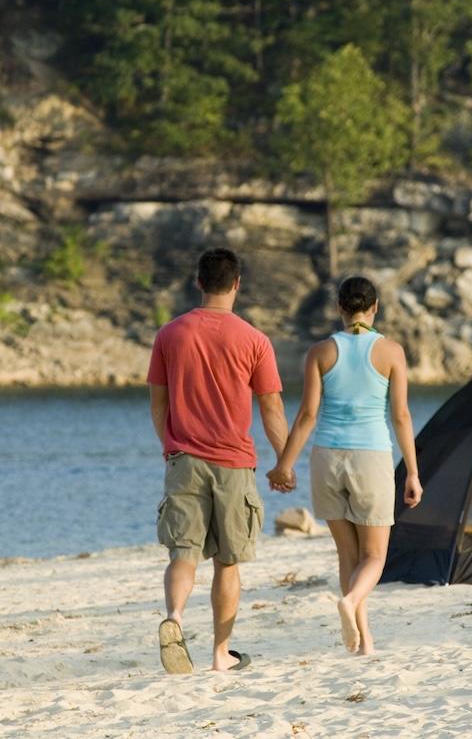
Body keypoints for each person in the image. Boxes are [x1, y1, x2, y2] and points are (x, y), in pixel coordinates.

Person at [148, 248, 289, 673]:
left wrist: (172, 448)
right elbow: (271, 409)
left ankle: (173, 618)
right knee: (228, 562)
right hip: (233, 464)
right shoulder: (254, 340)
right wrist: (284, 461)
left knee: (183, 553)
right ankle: (219, 654)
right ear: (237, 284)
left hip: (184, 458)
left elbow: (158, 405)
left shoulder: (170, 334)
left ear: (198, 282)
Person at [267, 276, 422, 655]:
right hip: (371, 458)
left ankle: (364, 641)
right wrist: (414, 472)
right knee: (374, 558)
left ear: (339, 307)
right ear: (375, 308)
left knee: (348, 558)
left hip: (327, 459)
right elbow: (400, 416)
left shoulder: (320, 352)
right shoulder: (391, 352)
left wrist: (284, 465)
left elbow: (306, 416)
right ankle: (351, 605)